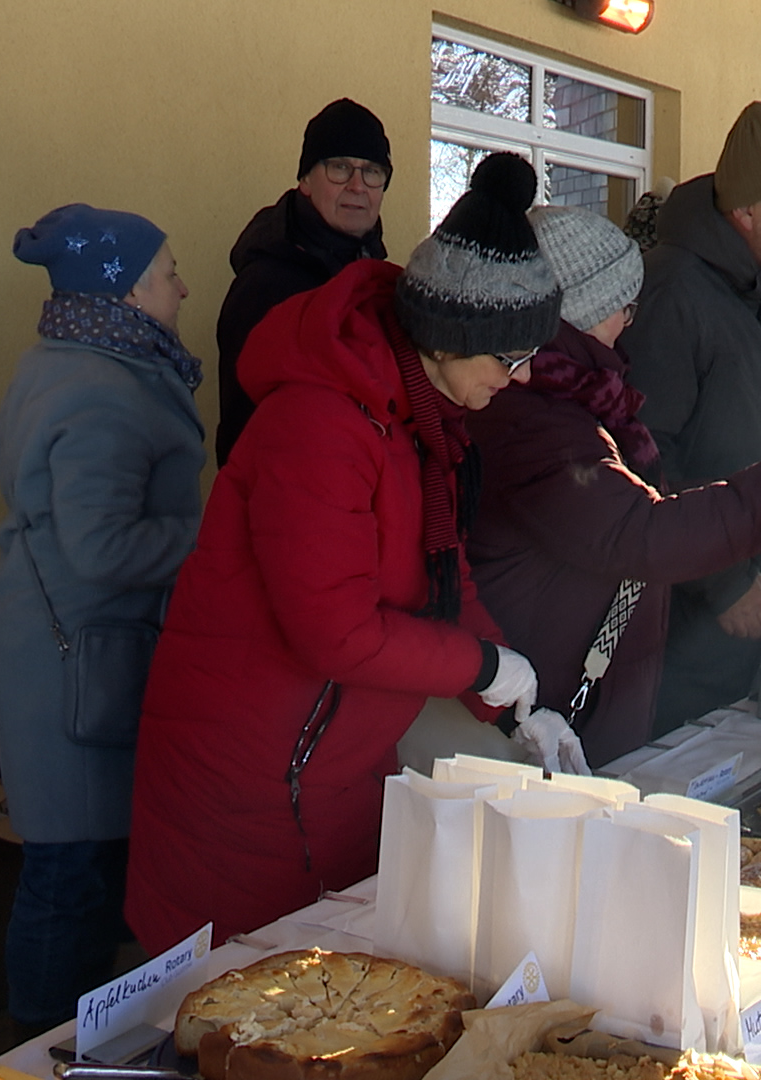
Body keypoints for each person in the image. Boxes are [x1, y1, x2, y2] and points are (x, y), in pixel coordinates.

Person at [125, 153, 573, 955]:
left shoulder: (420, 421)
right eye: (509, 358)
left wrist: (511, 698)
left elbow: (443, 574)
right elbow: (332, 630)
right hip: (247, 786)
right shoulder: (323, 425)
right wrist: (478, 666)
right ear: (448, 338)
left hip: (330, 769)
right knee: (245, 1017)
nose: (523, 376)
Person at [466, 204, 761, 766]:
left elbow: (642, 511)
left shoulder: (585, 403)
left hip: (581, 703)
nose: (631, 321)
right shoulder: (535, 421)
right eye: (623, 305)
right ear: (580, 311)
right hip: (541, 717)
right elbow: (645, 532)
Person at [0, 204, 205, 1029]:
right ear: (124, 289)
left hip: (68, 648)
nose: (183, 288)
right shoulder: (104, 389)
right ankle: (34, 1050)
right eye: (168, 273)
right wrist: (215, 541)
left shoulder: (70, 358)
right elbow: (103, 546)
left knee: (73, 864)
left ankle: (62, 1039)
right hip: (75, 659)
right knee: (69, 874)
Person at [620, 101, 761, 729]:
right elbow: (643, 455)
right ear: (744, 210)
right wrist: (723, 581)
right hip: (682, 622)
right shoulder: (673, 293)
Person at [215, 98, 392, 466]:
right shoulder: (267, 286)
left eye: (372, 171)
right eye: (340, 168)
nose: (358, 186)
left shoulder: (377, 279)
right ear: (305, 180)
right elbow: (245, 429)